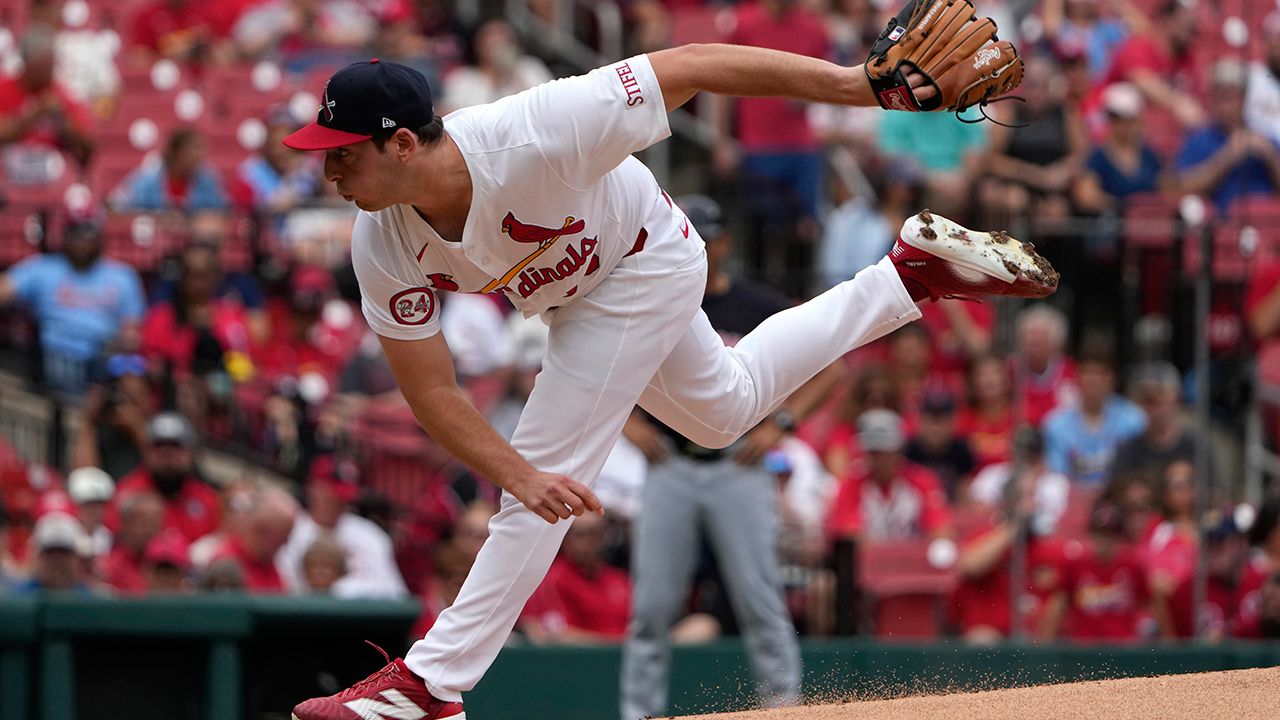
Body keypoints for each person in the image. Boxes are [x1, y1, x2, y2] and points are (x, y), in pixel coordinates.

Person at [281, 41, 1050, 717]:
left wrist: (856, 86)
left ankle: (429, 682)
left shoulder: (531, 131)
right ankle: (907, 276)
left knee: (538, 489)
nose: (328, 169)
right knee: (724, 411)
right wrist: (516, 471)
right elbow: (432, 392)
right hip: (578, 300)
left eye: (343, 151)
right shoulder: (378, 243)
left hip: (646, 255)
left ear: (405, 144)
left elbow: (689, 67)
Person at [620, 196, 830, 720]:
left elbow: (832, 367)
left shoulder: (755, 303)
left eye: (707, 239)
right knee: (651, 609)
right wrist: (628, 425)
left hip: (738, 465)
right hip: (672, 463)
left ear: (725, 244)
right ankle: (637, 712)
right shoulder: (657, 303)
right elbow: (607, 366)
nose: (698, 247)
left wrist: (780, 425)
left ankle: (782, 708)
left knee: (762, 602)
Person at [0, 194, 146, 394]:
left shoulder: (122, 276)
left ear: (99, 233)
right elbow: (4, 289)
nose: (82, 239)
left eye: (88, 230)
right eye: (76, 231)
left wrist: (120, 342)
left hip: (102, 362)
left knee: (131, 371)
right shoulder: (42, 268)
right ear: (65, 233)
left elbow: (133, 333)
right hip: (52, 359)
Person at [276, 455, 409, 599]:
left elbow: (395, 593)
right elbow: (284, 586)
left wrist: (344, 589)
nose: (340, 502)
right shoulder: (291, 530)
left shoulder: (370, 534)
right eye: (332, 495)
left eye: (345, 497)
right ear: (314, 488)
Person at [826, 409, 953, 543]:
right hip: (869, 560)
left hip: (913, 559)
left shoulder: (922, 480)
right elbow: (850, 534)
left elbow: (942, 531)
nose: (878, 460)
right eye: (873, 453)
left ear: (898, 450)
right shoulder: (851, 484)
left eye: (885, 452)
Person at [1176, 59, 1280, 213]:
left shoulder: (1264, 137)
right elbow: (1182, 188)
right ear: (1213, 98)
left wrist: (1269, 155)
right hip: (1221, 226)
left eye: (1233, 97)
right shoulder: (1199, 140)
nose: (1227, 106)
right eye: (1221, 97)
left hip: (1267, 225)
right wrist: (1229, 155)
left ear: (1244, 98)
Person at [108, 412, 221, 544]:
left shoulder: (208, 499)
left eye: (176, 446)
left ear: (191, 453)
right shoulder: (125, 494)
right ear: (146, 451)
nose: (167, 453)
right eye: (159, 445)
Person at [1043, 348, 1145, 485]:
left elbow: (1137, 474)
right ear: (1077, 377)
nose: (1094, 379)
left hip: (1119, 499)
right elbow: (1057, 477)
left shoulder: (1133, 419)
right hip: (1073, 500)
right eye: (1087, 372)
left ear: (1113, 378)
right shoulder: (1056, 424)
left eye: (1101, 373)